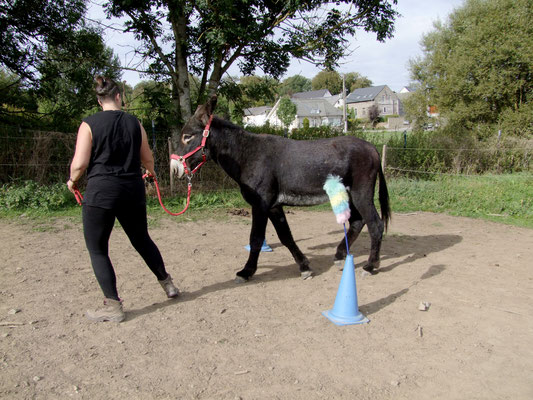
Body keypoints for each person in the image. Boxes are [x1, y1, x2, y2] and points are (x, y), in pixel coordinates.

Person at [67, 76, 179, 323]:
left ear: (99, 100)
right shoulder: (135, 123)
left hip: (101, 193)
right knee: (142, 240)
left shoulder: (88, 124)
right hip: (131, 191)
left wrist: (72, 181)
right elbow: (147, 158)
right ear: (119, 97)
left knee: (98, 249)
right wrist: (150, 172)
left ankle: (113, 306)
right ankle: (168, 284)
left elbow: (80, 163)